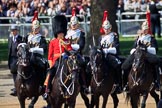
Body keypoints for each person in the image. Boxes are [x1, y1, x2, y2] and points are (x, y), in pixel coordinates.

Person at [121, 18, 161, 91]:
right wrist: (137, 50)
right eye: (144, 29)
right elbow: (132, 49)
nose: (145, 30)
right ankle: (126, 84)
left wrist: (144, 50)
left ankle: (156, 82)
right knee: (125, 65)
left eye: (146, 29)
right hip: (137, 55)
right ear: (142, 29)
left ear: (148, 29)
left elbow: (155, 50)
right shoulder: (138, 38)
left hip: (147, 55)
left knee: (156, 64)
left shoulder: (151, 38)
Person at [43, 14, 72, 99]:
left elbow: (70, 50)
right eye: (59, 33)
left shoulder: (67, 41)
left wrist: (66, 53)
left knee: (75, 71)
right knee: (51, 73)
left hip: (66, 60)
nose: (61, 34)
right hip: (56, 61)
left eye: (62, 32)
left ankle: (81, 87)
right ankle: (47, 90)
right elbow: (50, 56)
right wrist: (51, 64)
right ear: (57, 33)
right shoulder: (53, 42)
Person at [65, 8, 89, 93]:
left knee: (83, 65)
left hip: (77, 53)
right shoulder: (66, 33)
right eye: (72, 24)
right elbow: (64, 44)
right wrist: (68, 48)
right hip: (67, 53)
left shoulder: (81, 33)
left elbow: (81, 45)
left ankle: (84, 85)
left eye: (75, 24)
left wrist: (70, 47)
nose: (73, 25)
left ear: (77, 24)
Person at [24, 11, 48, 92]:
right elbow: (23, 45)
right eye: (34, 28)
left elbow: (43, 50)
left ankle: (42, 85)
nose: (35, 29)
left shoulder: (41, 38)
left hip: (37, 57)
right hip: (27, 57)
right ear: (32, 27)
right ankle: (18, 85)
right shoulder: (27, 36)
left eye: (37, 28)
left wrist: (33, 49)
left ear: (39, 28)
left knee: (43, 67)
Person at [99, 10, 122, 93]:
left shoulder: (114, 35)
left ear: (110, 27)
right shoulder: (101, 37)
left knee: (118, 65)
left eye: (108, 28)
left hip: (111, 55)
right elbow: (99, 47)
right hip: (102, 55)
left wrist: (107, 50)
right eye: (105, 28)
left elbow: (116, 49)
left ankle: (118, 83)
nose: (107, 30)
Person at [8, 25, 23, 96]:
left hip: (18, 59)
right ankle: (16, 87)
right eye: (12, 30)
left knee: (18, 74)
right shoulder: (10, 38)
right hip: (12, 59)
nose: (13, 32)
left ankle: (18, 88)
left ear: (17, 31)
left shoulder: (20, 38)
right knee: (14, 74)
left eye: (14, 30)